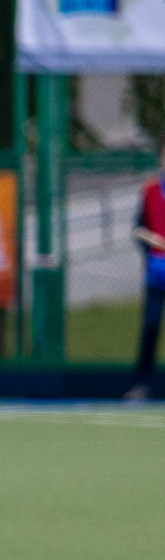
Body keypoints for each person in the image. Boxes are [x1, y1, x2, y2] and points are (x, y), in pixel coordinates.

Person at [129, 144, 165, 402]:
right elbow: (138, 228)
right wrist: (151, 242)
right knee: (151, 327)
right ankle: (142, 384)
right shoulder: (150, 189)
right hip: (156, 272)